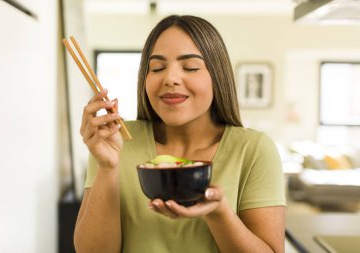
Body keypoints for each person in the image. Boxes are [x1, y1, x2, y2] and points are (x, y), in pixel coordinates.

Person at [74, 15, 286, 253]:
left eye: (190, 67)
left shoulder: (254, 149)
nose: (170, 78)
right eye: (157, 68)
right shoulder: (115, 140)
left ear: (217, 77)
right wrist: (107, 167)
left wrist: (218, 213)